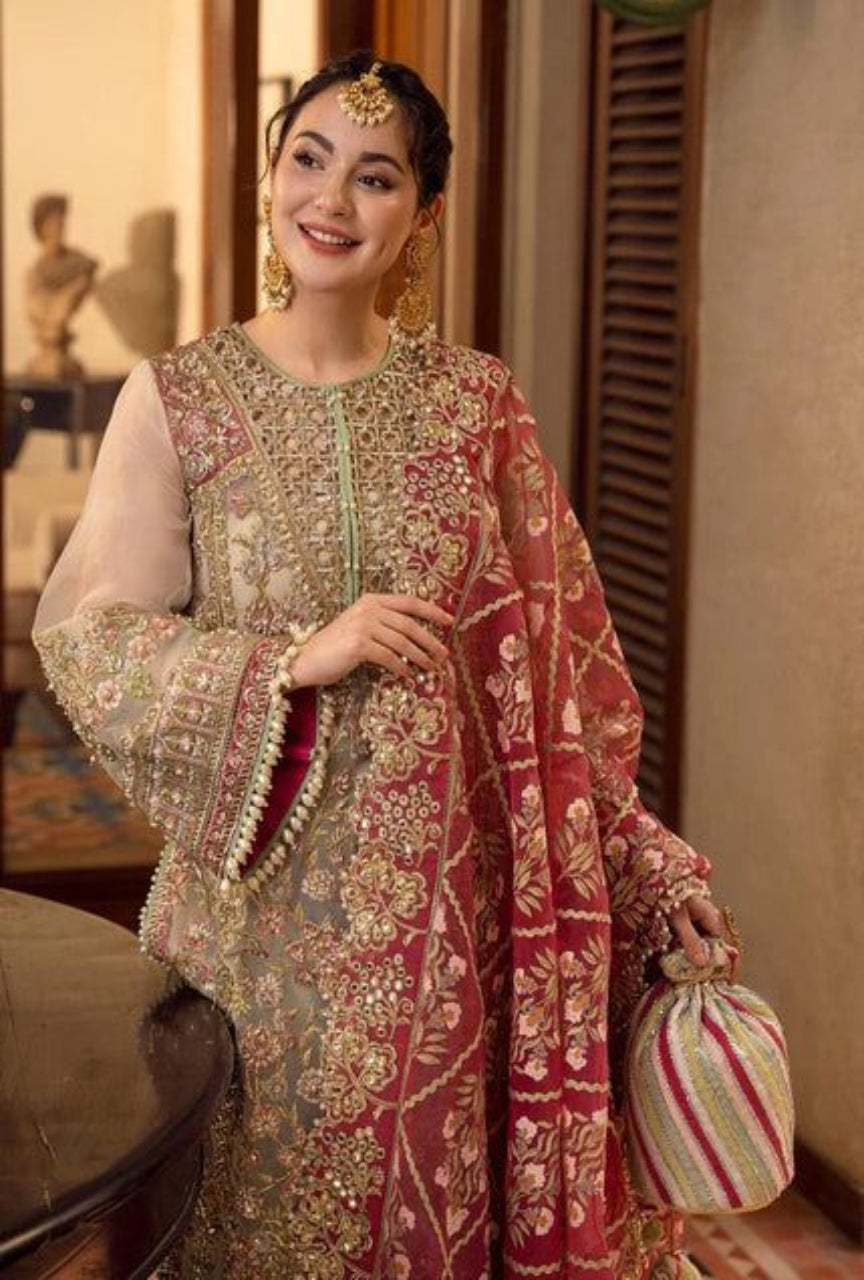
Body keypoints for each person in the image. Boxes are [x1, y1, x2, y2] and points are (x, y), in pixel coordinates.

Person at [33, 52, 723, 1280]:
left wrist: (650, 872)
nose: (332, 201)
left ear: (424, 217)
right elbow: (93, 640)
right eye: (308, 160)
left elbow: (567, 687)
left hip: (449, 950)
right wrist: (297, 656)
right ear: (270, 177)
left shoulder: (478, 409)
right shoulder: (177, 400)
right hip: (250, 947)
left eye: (375, 176)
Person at [25, 192, 98, 378]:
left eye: (61, 220)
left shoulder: (82, 267)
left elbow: (82, 285)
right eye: (53, 222)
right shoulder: (32, 276)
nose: (60, 226)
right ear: (41, 228)